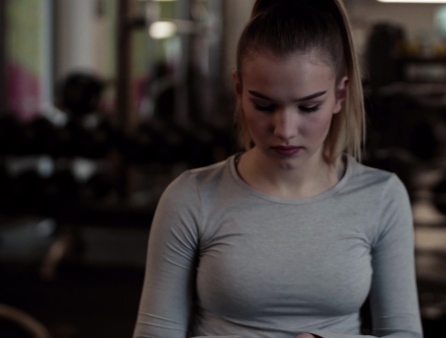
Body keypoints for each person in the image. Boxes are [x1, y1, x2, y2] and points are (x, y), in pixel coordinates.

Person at [133, 0, 422, 337]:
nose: (284, 129)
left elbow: (403, 333)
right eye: (264, 105)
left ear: (339, 95)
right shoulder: (191, 197)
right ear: (239, 90)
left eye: (309, 106)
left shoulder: (382, 197)